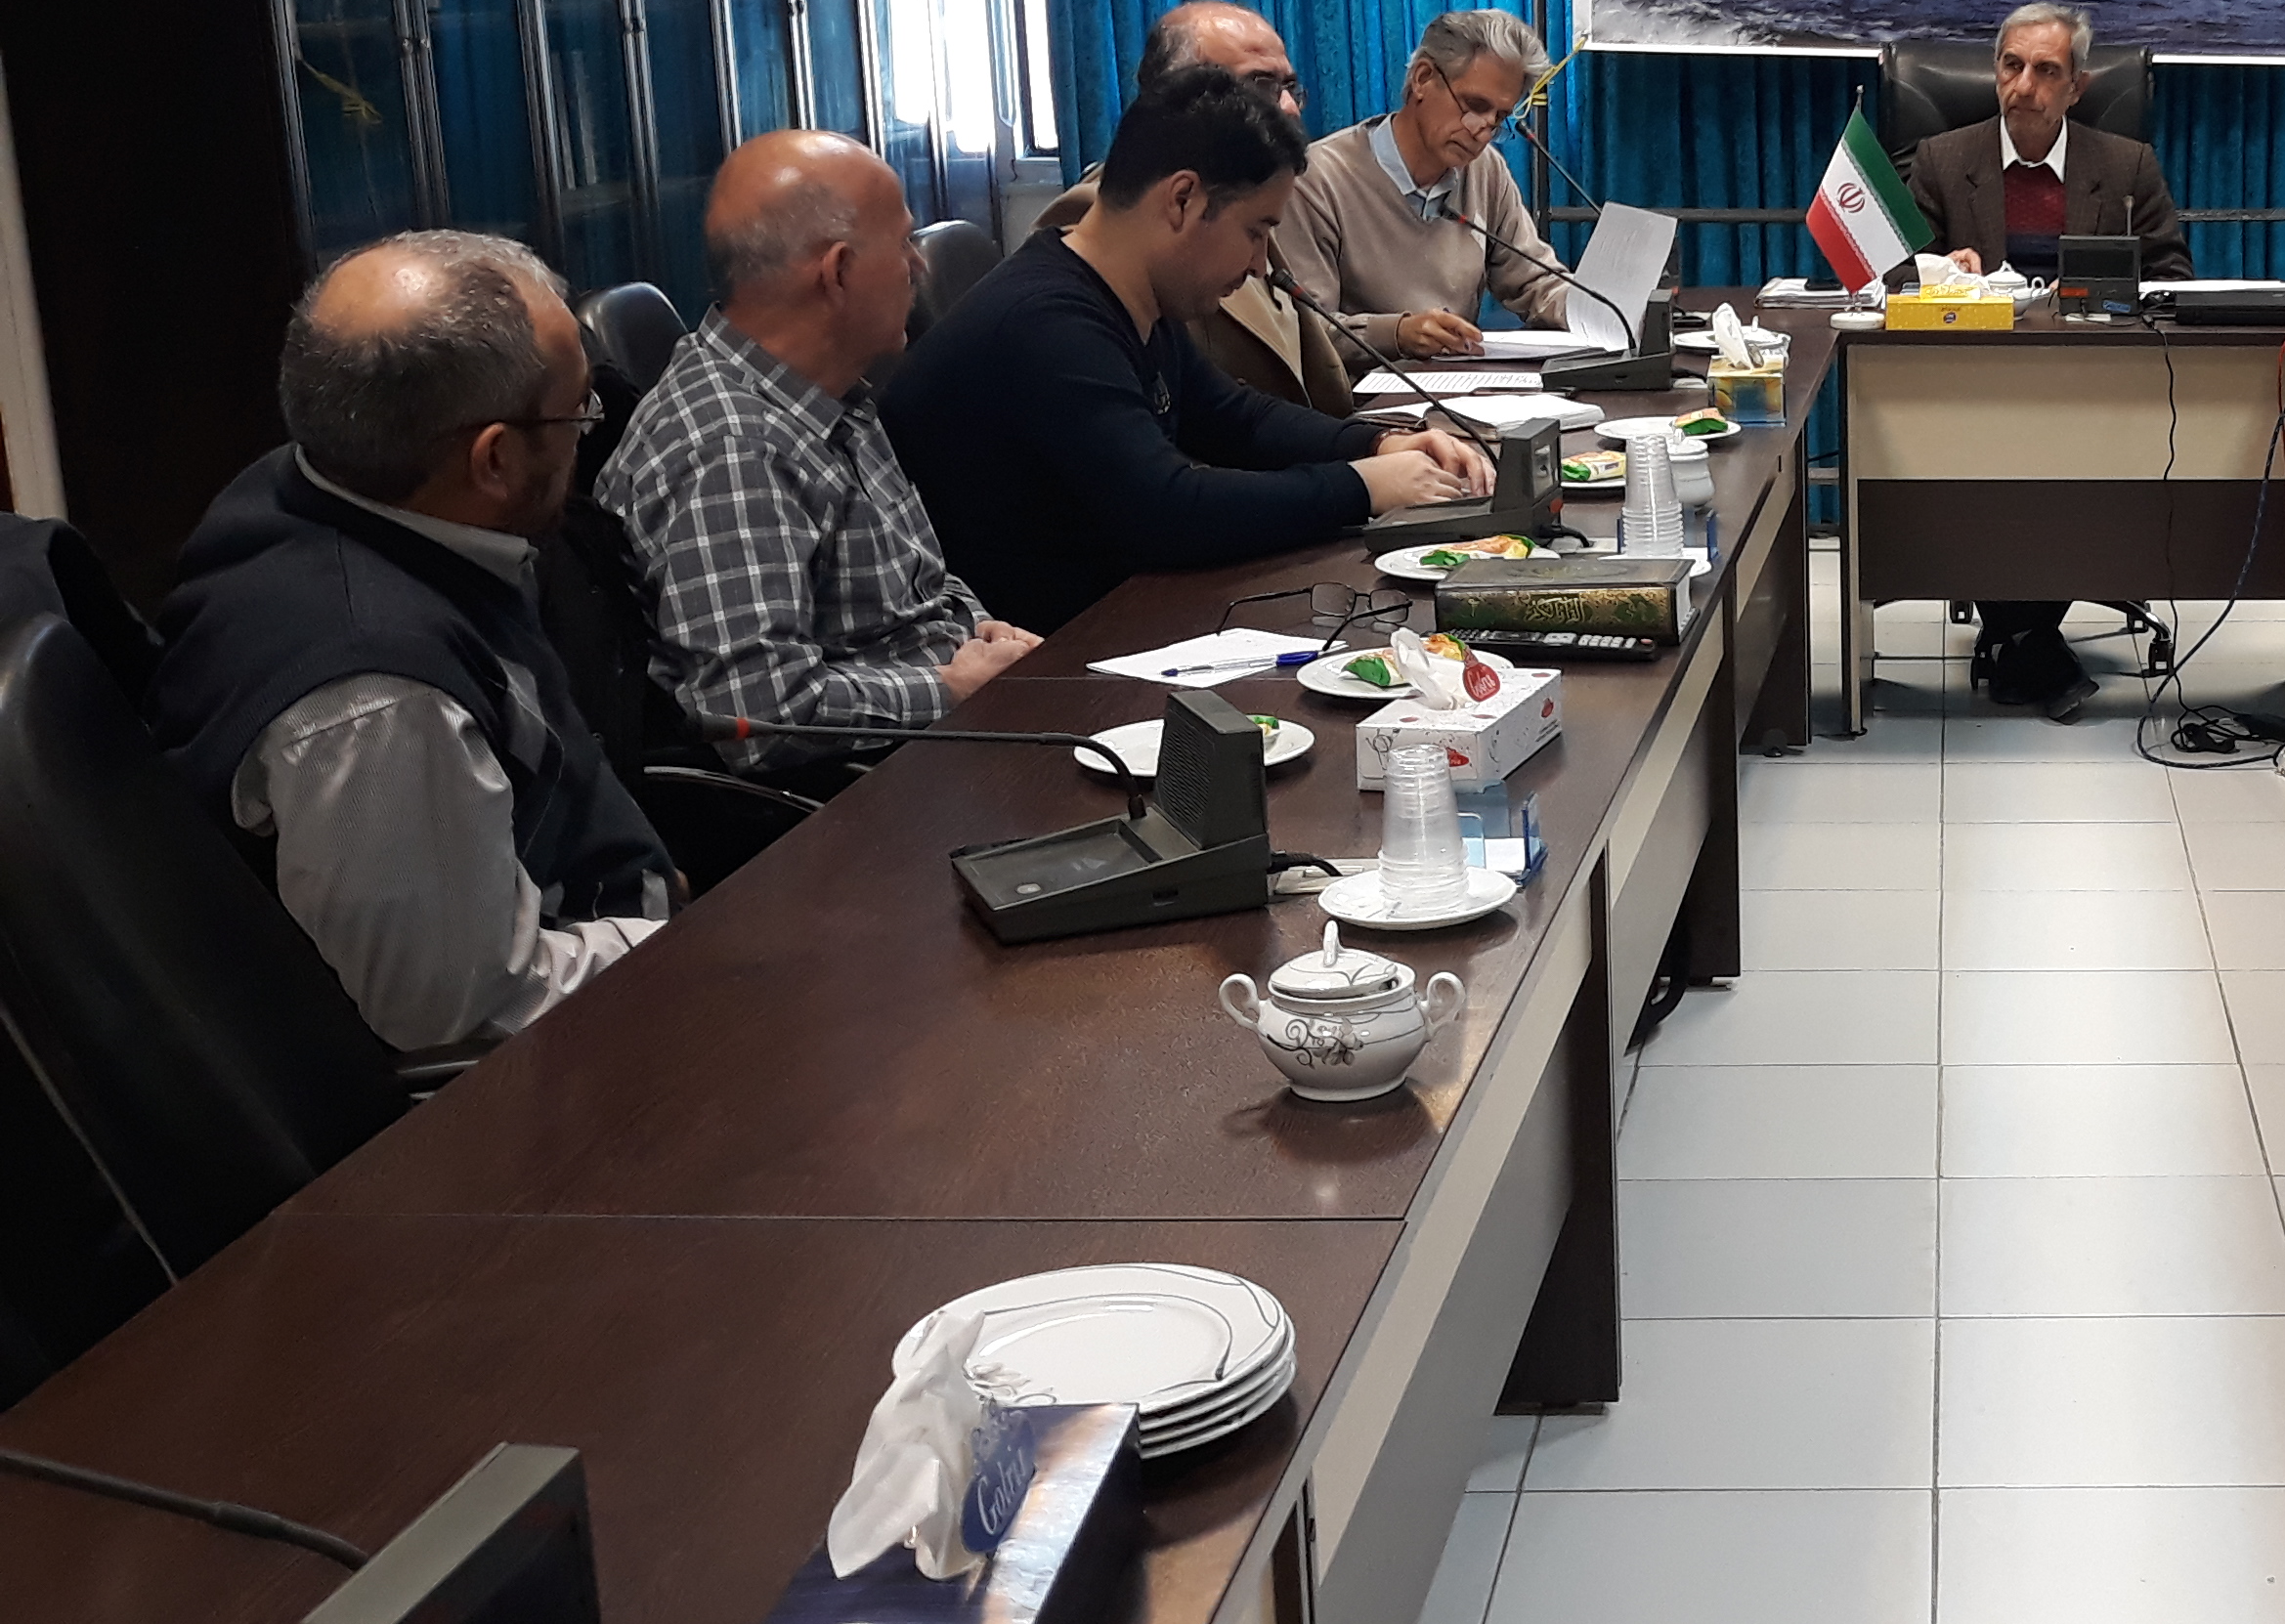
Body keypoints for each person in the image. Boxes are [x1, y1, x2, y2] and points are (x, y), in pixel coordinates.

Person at [145, 232, 677, 1054]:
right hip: (557, 1064)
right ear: (494, 460)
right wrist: (685, 947)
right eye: (580, 413)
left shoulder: (319, 481)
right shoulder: (379, 702)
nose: (588, 433)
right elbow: (454, 1013)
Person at [886, 66, 1493, 632]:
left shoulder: (1130, 296)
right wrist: (1363, 485)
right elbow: (1167, 511)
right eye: (1255, 231)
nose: (1259, 265)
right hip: (1042, 655)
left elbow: (1233, 417)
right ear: (1182, 200)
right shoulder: (1048, 323)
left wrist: (1379, 443)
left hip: (1107, 613)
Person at [600, 132, 1038, 773]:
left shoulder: (827, 392)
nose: (919, 268)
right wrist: (950, 689)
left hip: (946, 738)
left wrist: (981, 630)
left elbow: (916, 581)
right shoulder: (731, 450)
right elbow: (758, 712)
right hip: (872, 789)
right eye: (903, 246)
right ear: (837, 273)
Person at [1036, 0, 1357, 412]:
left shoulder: (1239, 197)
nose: (1289, 107)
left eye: (1290, 88)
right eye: (1261, 85)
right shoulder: (1100, 219)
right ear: (1180, 95)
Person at [1272, 9, 1578, 363]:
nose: (1482, 130)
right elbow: (1306, 331)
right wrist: (1398, 334)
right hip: (1366, 391)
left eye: (1499, 118)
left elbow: (1535, 281)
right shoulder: (1318, 178)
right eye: (1474, 105)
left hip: (1463, 384)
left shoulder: (1485, 169)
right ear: (1422, 78)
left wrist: (1604, 313)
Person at [1906, 2, 2192, 284]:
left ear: (2076, 88)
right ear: (1996, 72)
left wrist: (2097, 293)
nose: (2023, 87)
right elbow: (1897, 275)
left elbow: (2171, 277)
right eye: (2012, 66)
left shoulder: (2128, 167)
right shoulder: (1941, 161)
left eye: (2047, 70)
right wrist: (1943, 273)